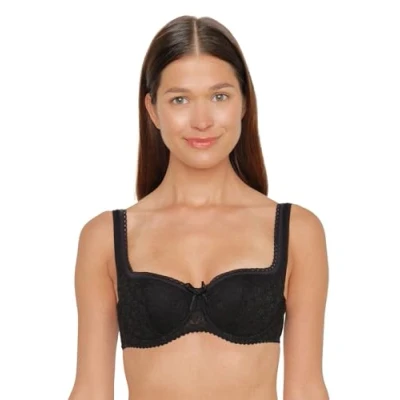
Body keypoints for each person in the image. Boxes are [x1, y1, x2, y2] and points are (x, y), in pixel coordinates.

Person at [68, 15, 330, 400]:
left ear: (244, 102)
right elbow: (91, 390)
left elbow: (306, 389)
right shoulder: (105, 238)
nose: (202, 121)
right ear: (152, 109)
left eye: (219, 96)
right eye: (180, 99)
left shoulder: (296, 231)